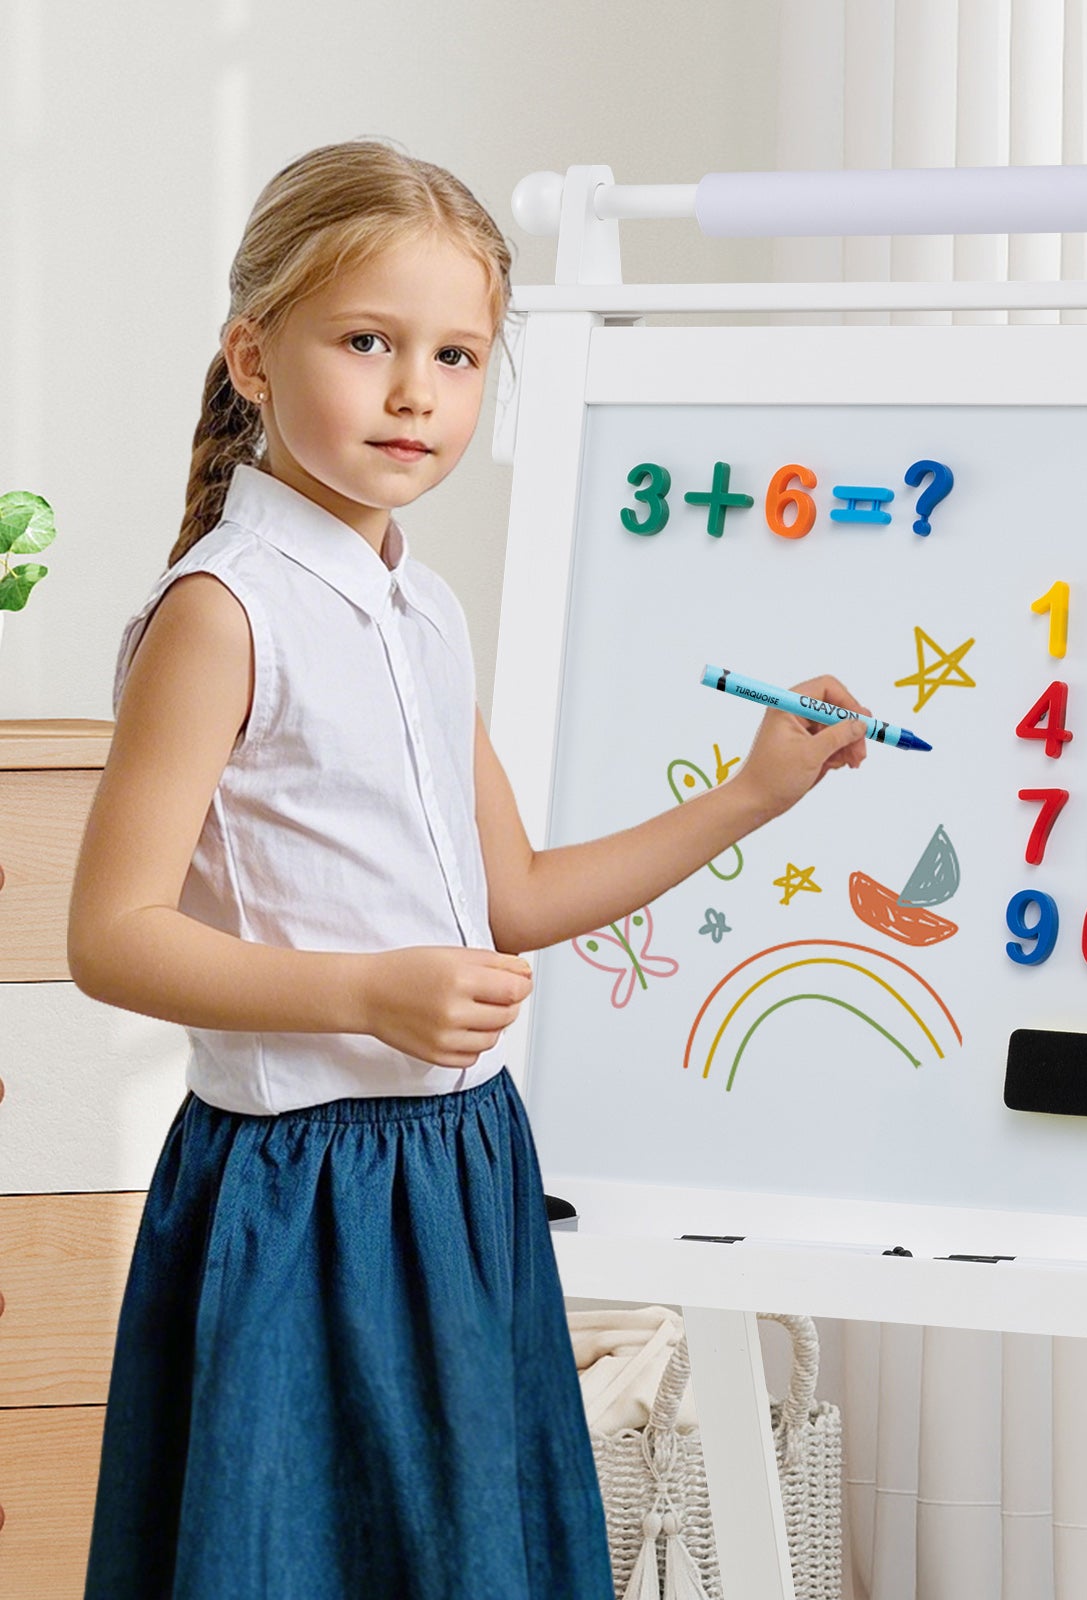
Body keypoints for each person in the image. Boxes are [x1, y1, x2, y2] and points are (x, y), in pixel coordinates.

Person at [68, 137, 870, 1600]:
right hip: (300, 1197)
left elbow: (518, 898)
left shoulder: (420, 610)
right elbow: (110, 935)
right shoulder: (222, 613)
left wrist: (756, 795)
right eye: (366, 341)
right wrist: (366, 990)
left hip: (461, 1168)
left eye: (456, 353)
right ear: (253, 356)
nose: (414, 392)